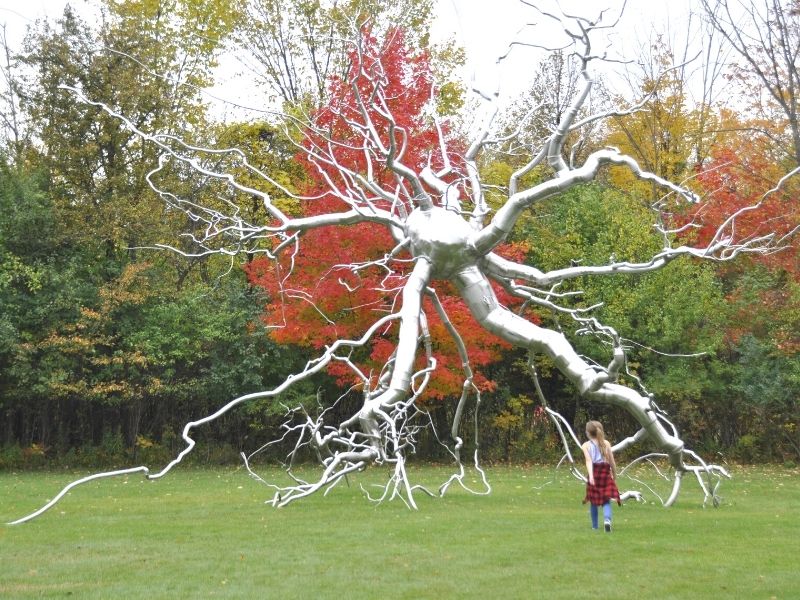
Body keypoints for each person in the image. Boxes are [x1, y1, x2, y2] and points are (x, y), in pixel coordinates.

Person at [581, 420, 621, 532]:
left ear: (588, 432)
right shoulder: (606, 443)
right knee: (606, 500)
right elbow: (612, 462)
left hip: (594, 472)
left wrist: (591, 477)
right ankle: (607, 521)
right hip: (605, 473)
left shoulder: (585, 446)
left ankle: (595, 527)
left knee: (593, 501)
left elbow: (589, 461)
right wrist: (614, 474)